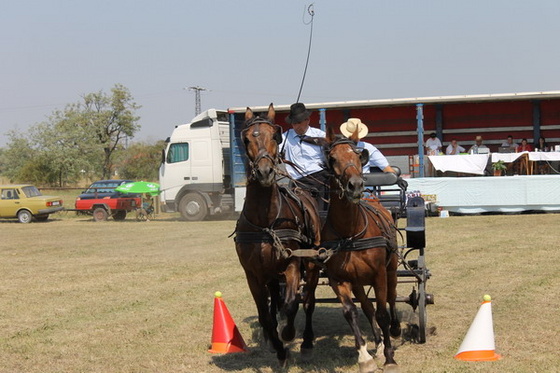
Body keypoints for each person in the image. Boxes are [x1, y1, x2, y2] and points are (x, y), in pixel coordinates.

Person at [281, 102, 329, 209]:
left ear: (307, 120)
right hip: (298, 181)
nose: (296, 126)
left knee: (323, 212)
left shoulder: (320, 136)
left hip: (320, 178)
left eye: (298, 122)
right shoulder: (285, 137)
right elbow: (274, 150)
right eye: (293, 123)